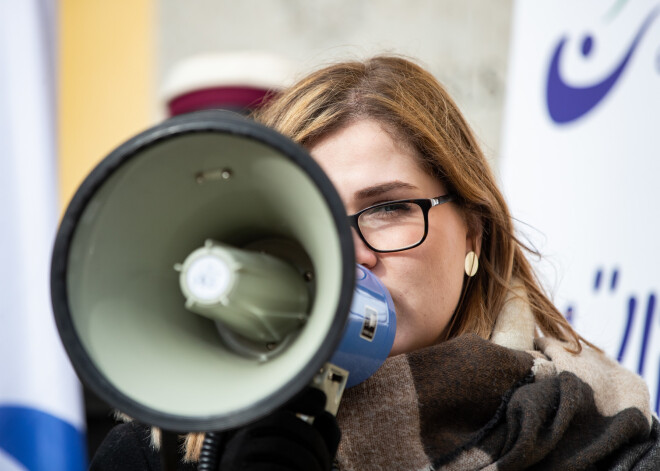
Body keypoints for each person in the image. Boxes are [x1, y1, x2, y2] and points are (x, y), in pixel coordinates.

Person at [90, 55, 660, 470]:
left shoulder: (602, 447)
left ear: (475, 238)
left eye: (388, 208)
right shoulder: (157, 454)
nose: (350, 255)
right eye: (312, 217)